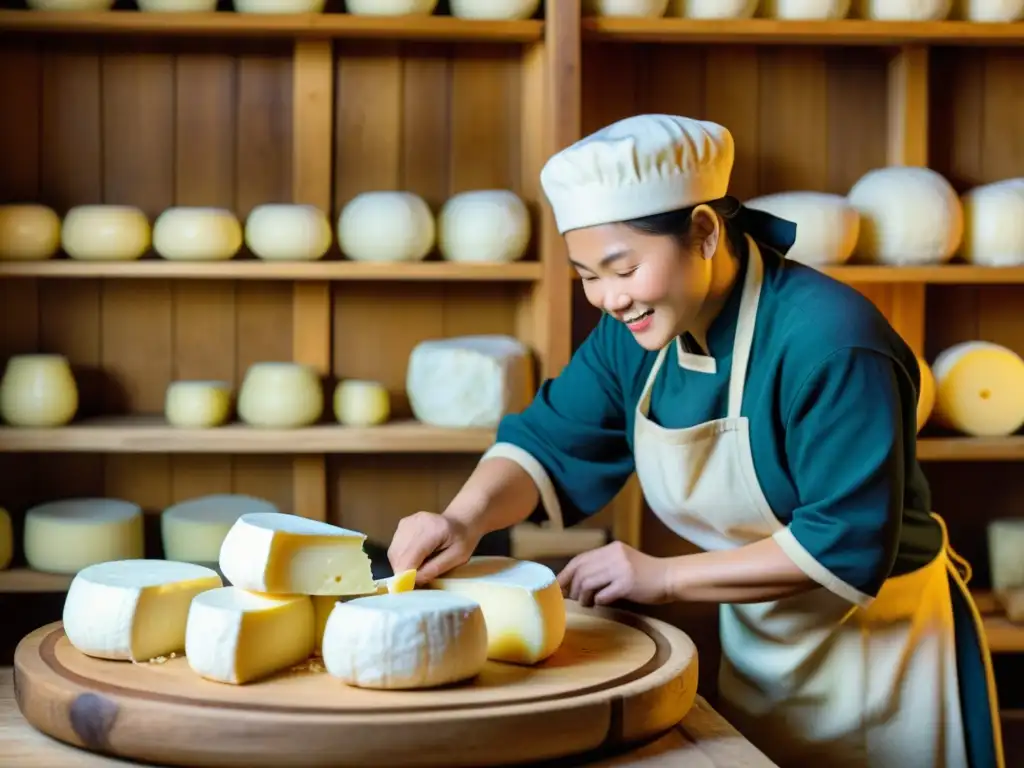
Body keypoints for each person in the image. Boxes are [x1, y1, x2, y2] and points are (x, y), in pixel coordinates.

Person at [387, 114, 1003, 768]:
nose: (609, 298)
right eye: (587, 274)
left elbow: (844, 541)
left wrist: (664, 577)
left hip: (886, 661)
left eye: (622, 268)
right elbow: (547, 441)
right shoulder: (636, 336)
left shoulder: (830, 341)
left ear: (705, 231)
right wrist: (462, 518)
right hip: (762, 652)